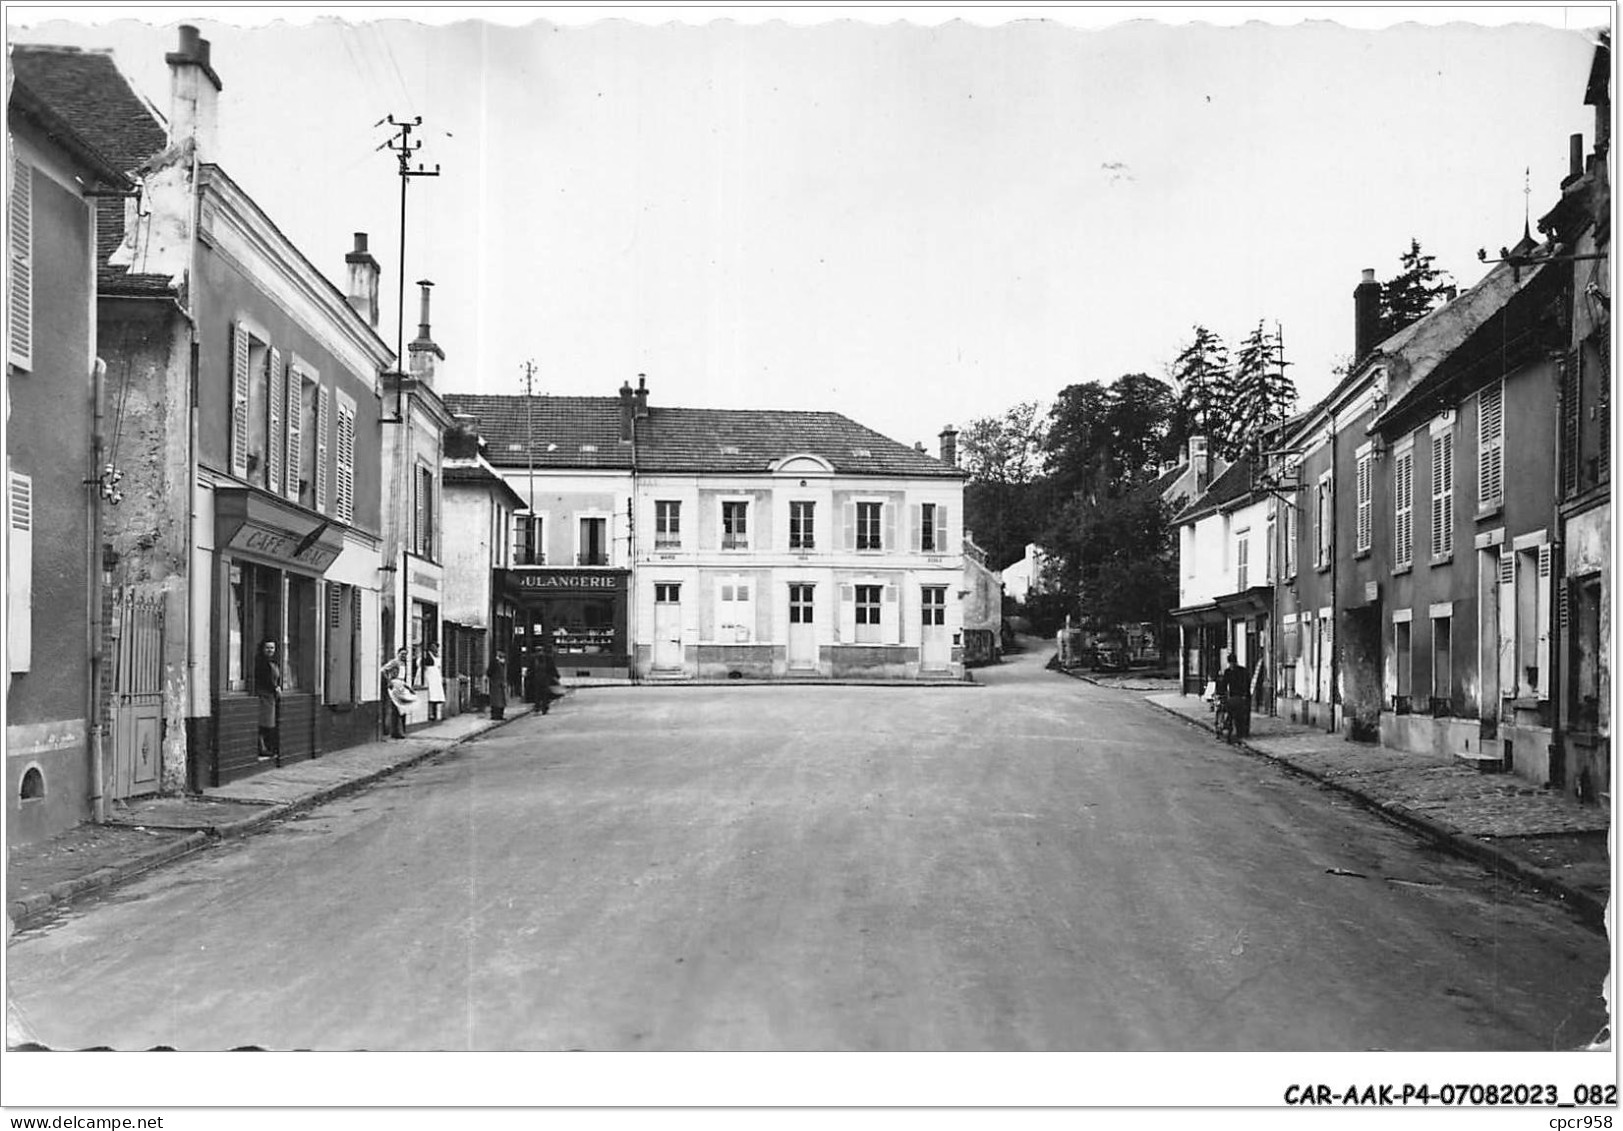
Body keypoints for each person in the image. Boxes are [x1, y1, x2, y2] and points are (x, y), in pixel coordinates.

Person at [255, 639, 282, 765]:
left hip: (271, 697)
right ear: (262, 649)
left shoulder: (274, 663)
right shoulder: (261, 663)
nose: (270, 650)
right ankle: (262, 748)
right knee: (263, 722)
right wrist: (274, 688)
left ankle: (266, 747)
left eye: (272, 648)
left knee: (269, 723)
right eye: (267, 648)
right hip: (264, 695)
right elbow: (264, 679)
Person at [381, 646, 412, 738]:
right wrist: (389, 681)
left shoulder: (403, 664)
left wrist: (408, 687)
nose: (403, 656)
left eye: (405, 655)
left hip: (401, 685)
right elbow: (383, 670)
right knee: (396, 708)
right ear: (398, 654)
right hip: (395, 684)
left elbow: (402, 678)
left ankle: (399, 731)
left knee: (402, 709)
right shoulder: (394, 662)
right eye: (402, 654)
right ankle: (395, 732)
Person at [1219, 651, 1251, 740]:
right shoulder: (1227, 672)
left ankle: (1242, 732)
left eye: (1233, 663)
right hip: (1233, 697)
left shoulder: (1242, 671)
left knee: (1241, 716)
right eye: (1230, 663)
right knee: (1232, 713)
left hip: (1241, 696)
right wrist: (1222, 693)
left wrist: (1244, 695)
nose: (1231, 665)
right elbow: (1224, 684)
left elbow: (1246, 683)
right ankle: (1231, 728)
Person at [423, 644, 446, 722]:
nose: (435, 649)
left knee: (436, 696)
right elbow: (423, 665)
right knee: (431, 695)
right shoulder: (427, 655)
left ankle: (436, 713)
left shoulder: (437, 656)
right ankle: (430, 714)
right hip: (430, 676)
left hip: (436, 677)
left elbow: (438, 666)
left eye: (436, 647)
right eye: (433, 647)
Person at [487, 651, 507, 722]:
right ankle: (496, 715)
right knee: (496, 701)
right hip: (495, 684)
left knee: (500, 701)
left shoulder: (501, 664)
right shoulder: (494, 663)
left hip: (500, 684)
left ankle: (499, 715)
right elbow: (489, 673)